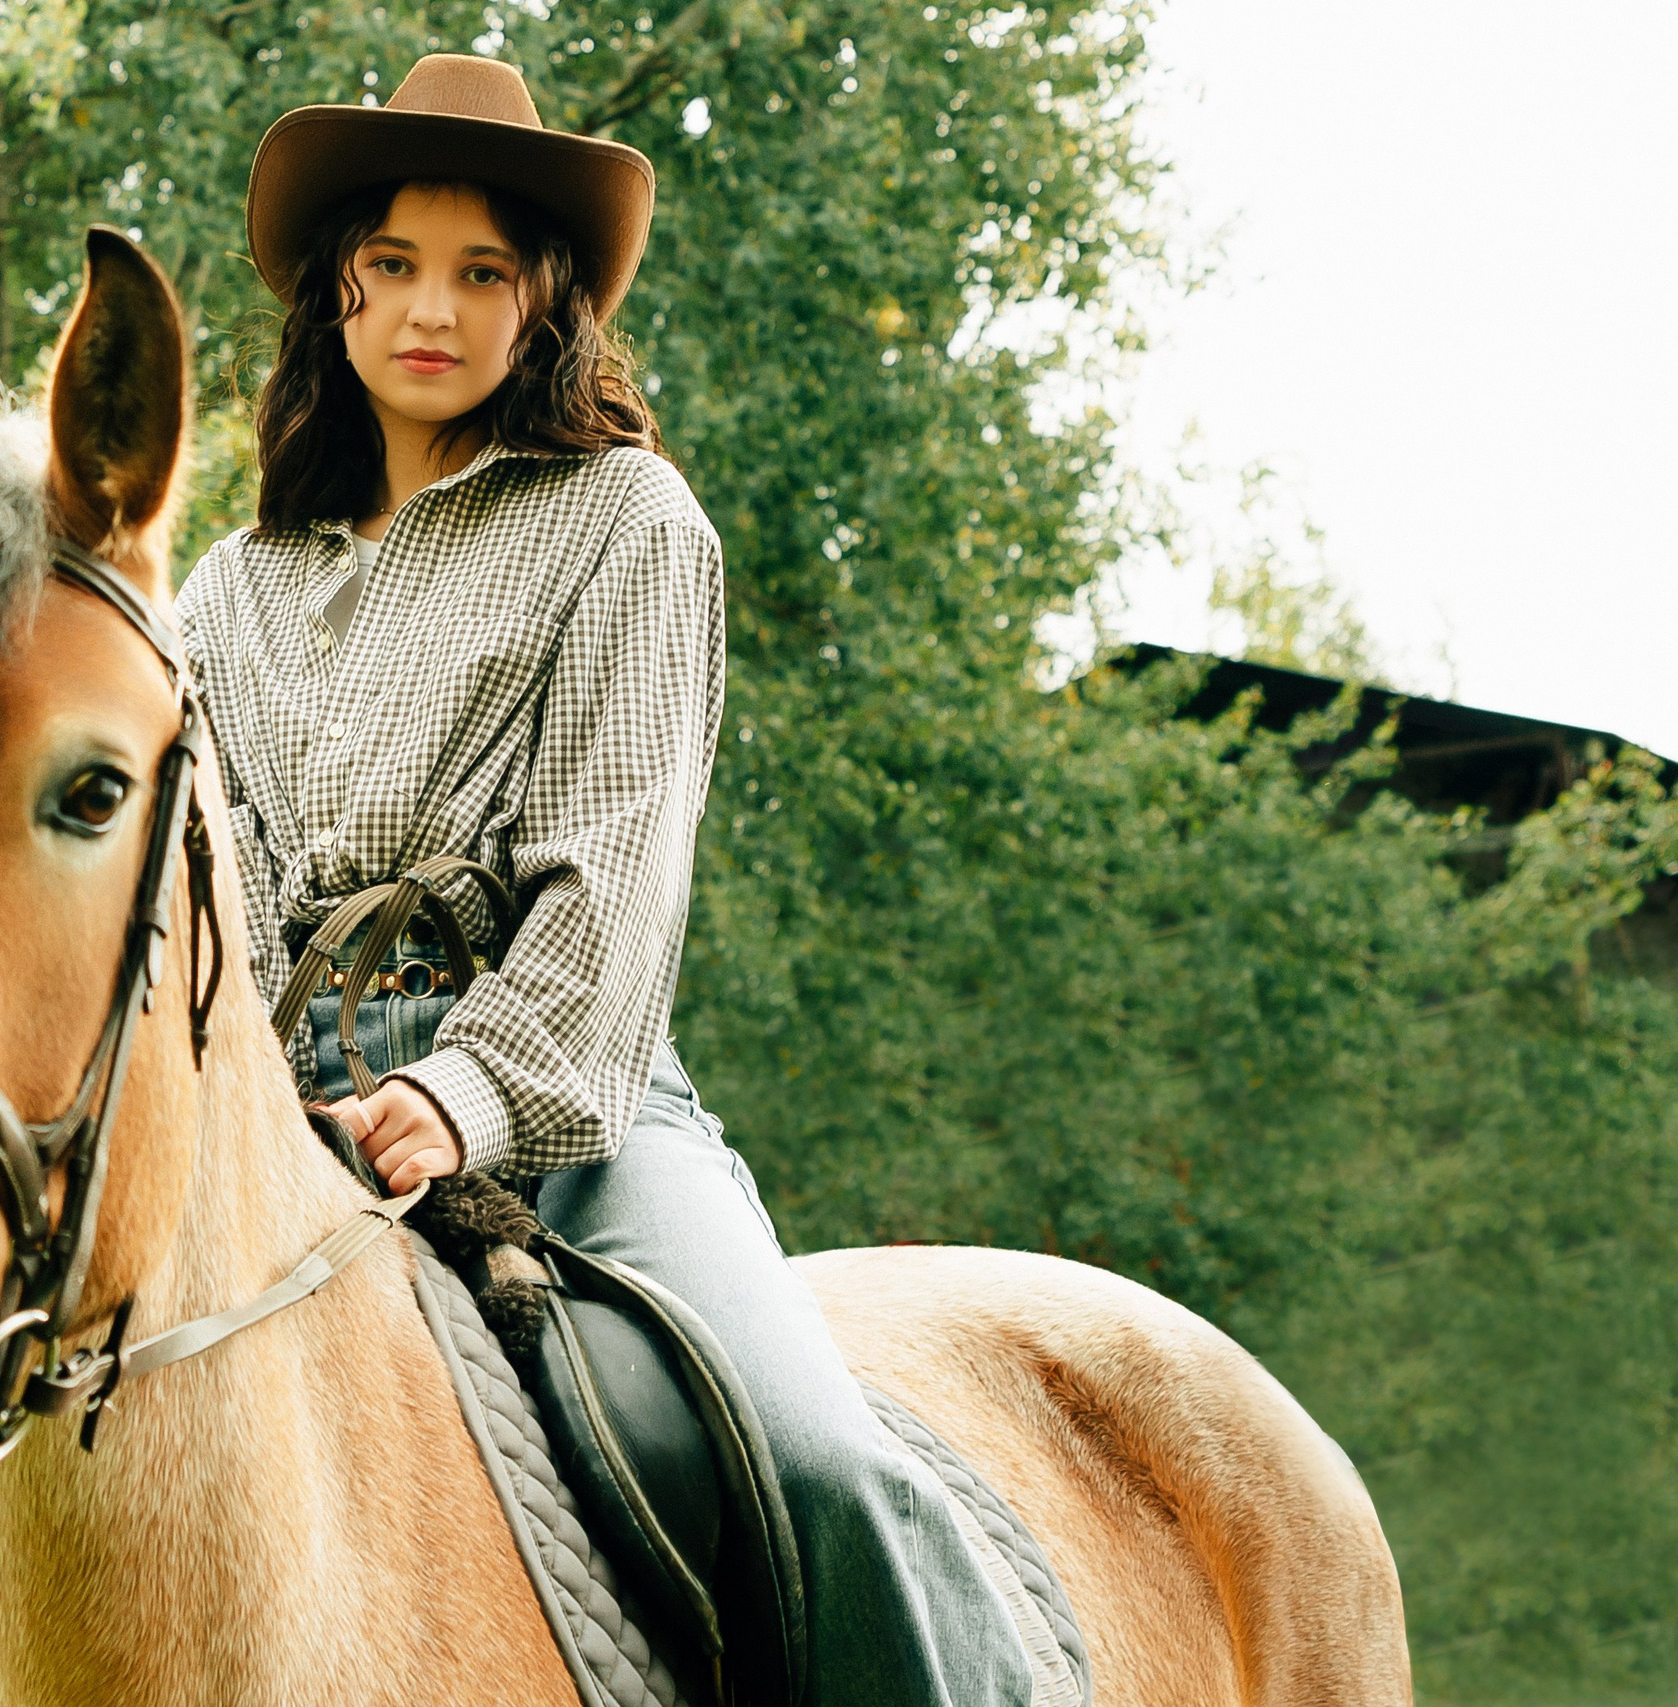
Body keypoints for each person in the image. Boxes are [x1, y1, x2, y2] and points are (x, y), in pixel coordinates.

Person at [175, 53, 1036, 1707]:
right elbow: (218, 904)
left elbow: (618, 873)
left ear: (543, 300)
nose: (434, 309)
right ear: (334, 295)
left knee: (808, 1467)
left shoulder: (629, 524)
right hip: (279, 1128)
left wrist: (469, 1089)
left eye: (483, 271)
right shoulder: (228, 590)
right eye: (395, 267)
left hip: (575, 1104)